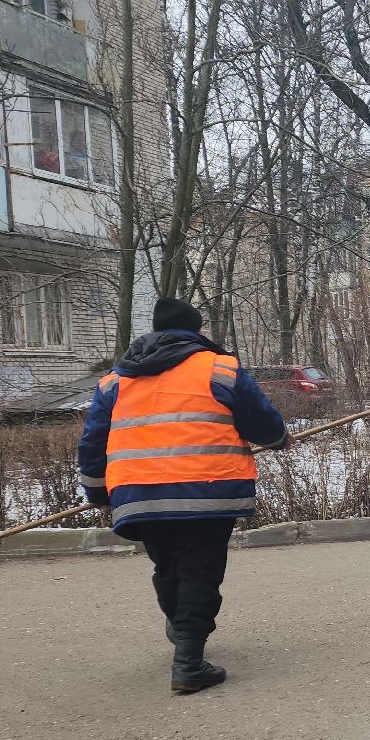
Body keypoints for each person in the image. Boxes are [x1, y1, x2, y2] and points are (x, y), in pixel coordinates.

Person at [77, 297, 289, 695]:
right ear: (196, 330)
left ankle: (181, 627)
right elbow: (260, 420)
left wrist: (96, 491)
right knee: (199, 569)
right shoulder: (218, 368)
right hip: (206, 492)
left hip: (140, 495)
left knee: (168, 566)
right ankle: (189, 660)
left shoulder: (115, 381)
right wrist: (279, 439)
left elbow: (93, 442)